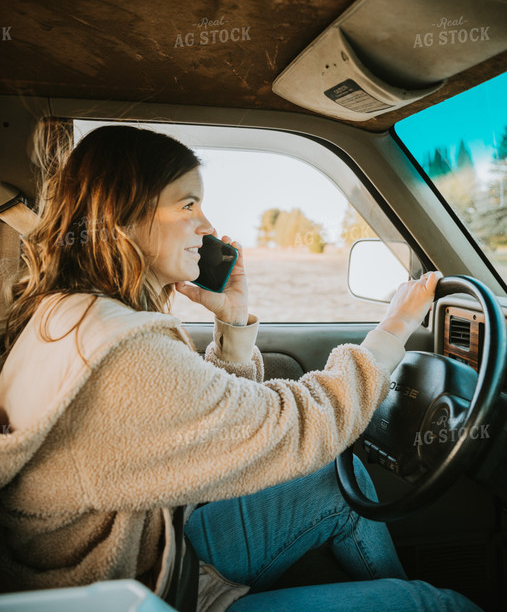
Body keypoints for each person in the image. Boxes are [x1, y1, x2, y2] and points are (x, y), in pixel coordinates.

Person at [0, 124, 482, 612]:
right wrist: (395, 327)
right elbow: (296, 428)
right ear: (124, 215)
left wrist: (231, 321)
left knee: (337, 479)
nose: (207, 225)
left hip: (156, 552)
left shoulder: (69, 312)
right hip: (146, 593)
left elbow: (212, 434)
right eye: (188, 205)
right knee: (436, 605)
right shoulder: (122, 353)